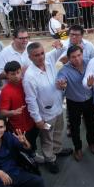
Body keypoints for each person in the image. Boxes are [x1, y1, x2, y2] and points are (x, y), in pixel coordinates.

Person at [22, 40, 69, 173]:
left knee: (58, 131)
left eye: (42, 53)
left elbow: (64, 47)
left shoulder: (49, 59)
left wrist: (59, 44)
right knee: (47, 138)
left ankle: (57, 150)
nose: (41, 56)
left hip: (59, 108)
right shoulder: (29, 77)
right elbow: (30, 100)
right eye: (36, 55)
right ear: (30, 57)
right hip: (45, 114)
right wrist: (37, 119)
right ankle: (50, 159)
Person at [56, 45, 94, 160]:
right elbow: (60, 80)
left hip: (89, 101)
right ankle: (78, 148)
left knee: (90, 124)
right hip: (73, 103)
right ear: (68, 58)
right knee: (75, 127)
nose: (77, 59)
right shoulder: (64, 70)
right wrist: (61, 84)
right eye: (73, 57)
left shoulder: (90, 63)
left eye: (79, 55)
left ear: (82, 54)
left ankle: (91, 143)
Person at [0, 61, 38, 152]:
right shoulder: (6, 91)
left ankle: (34, 156)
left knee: (33, 143)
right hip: (19, 128)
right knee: (22, 149)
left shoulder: (26, 83)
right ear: (7, 75)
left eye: (18, 72)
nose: (16, 76)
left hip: (32, 122)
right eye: (12, 74)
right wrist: (13, 112)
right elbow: (2, 112)